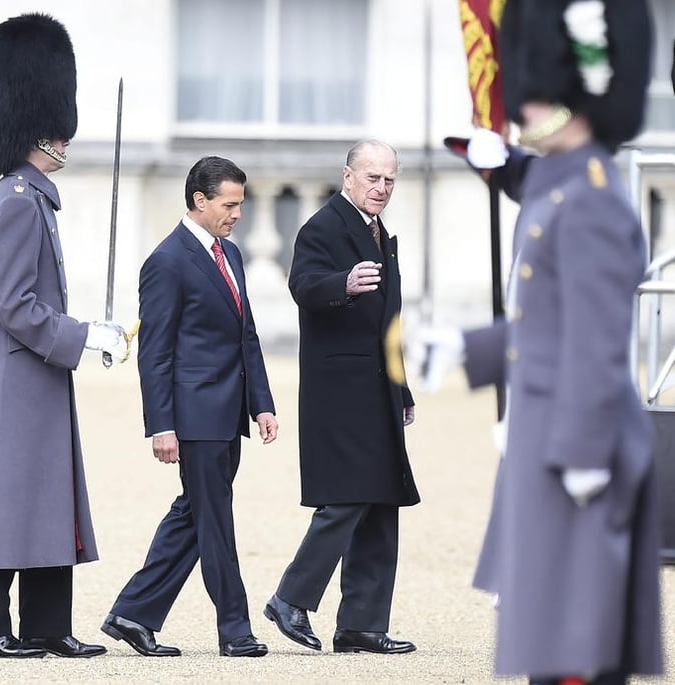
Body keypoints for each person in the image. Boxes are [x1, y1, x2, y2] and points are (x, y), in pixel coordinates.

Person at [418, 0, 663, 683]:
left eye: (535, 95)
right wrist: (469, 350)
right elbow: (546, 324)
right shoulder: (562, 180)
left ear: (576, 96)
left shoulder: (589, 196)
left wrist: (582, 456)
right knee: (552, 653)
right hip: (551, 445)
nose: (523, 108)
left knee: (576, 657)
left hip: (576, 458)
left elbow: (593, 342)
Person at [0, 13, 127, 659]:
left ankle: (46, 625)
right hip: (16, 369)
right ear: (41, 129)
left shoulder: (32, 197)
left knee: (46, 496)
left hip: (36, 369)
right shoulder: (17, 199)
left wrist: (77, 336)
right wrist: (84, 334)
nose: (66, 139)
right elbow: (15, 304)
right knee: (4, 500)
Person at [100, 156, 278, 658]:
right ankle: (236, 630)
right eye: (230, 204)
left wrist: (261, 404)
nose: (238, 213)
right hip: (194, 417)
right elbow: (155, 352)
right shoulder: (167, 260)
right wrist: (161, 426)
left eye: (240, 203)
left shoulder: (232, 254)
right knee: (215, 519)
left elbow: (247, 334)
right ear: (199, 201)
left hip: (228, 412)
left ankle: (132, 614)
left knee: (195, 516)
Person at [263, 140, 419, 655]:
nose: (381, 188)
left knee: (381, 499)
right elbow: (302, 286)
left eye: (389, 180)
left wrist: (402, 387)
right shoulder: (323, 227)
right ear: (348, 176)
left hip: (376, 387)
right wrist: (344, 283)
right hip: (340, 390)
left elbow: (389, 323)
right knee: (349, 496)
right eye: (372, 177)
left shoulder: (381, 234)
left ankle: (361, 626)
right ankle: (290, 597)